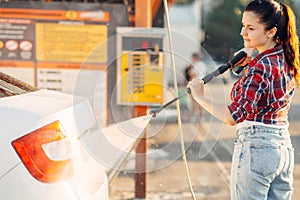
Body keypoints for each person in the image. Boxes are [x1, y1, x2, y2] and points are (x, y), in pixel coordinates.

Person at [187, 0, 299, 199]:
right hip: (283, 149)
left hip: (256, 149)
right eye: (243, 26)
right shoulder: (286, 58)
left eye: (250, 28)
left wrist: (199, 96)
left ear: (271, 32)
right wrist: (250, 63)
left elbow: (232, 116)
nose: (242, 33)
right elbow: (263, 97)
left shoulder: (260, 67)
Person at [184, 52, 206, 122]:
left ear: (195, 58)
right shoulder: (202, 64)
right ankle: (200, 116)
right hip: (201, 83)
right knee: (200, 100)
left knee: (194, 100)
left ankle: (193, 116)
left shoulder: (197, 64)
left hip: (195, 83)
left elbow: (192, 74)